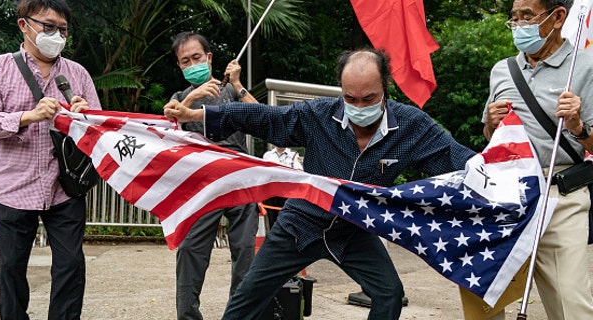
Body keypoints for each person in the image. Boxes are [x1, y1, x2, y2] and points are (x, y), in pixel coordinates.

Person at [165, 48, 476, 320]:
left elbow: (458, 158)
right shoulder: (318, 115)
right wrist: (199, 114)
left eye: (369, 99)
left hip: (353, 229)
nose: (359, 107)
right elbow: (263, 118)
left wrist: (506, 173)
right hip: (300, 224)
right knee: (246, 299)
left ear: (386, 88)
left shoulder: (411, 126)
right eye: (350, 98)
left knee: (389, 294)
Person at [0, 0, 100, 319]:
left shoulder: (78, 73)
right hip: (14, 189)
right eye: (48, 25)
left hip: (64, 188)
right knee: (12, 269)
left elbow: (100, 129)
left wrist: (85, 118)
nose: (55, 34)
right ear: (24, 25)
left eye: (63, 29)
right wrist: (28, 116)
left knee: (71, 266)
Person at [481, 1, 593, 319]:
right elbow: (493, 139)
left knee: (571, 303)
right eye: (513, 18)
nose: (518, 25)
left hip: (561, 198)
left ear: (558, 17)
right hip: (505, 196)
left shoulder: (585, 67)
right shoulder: (502, 70)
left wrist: (578, 126)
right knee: (487, 297)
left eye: (527, 17)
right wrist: (490, 123)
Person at [167, 31, 260, 320]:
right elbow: (167, 118)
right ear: (180, 67)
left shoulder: (230, 90)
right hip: (200, 187)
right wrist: (194, 96)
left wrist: (238, 84)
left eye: (197, 57)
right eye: (185, 61)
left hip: (239, 178)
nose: (192, 63)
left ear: (209, 58)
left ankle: (239, 315)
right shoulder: (180, 97)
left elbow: (263, 116)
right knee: (190, 252)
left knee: (245, 252)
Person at [261, 146, 302, 228]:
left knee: (287, 219)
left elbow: (299, 171)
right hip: (271, 193)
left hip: (287, 193)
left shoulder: (293, 155)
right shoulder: (268, 155)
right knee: (272, 220)